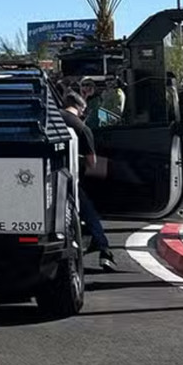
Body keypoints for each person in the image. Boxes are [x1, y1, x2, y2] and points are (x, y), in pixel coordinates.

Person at [61, 91, 117, 273]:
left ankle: (95, 243)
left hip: (50, 177)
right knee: (89, 213)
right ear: (81, 108)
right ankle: (104, 250)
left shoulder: (53, 119)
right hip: (73, 179)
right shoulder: (82, 128)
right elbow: (92, 162)